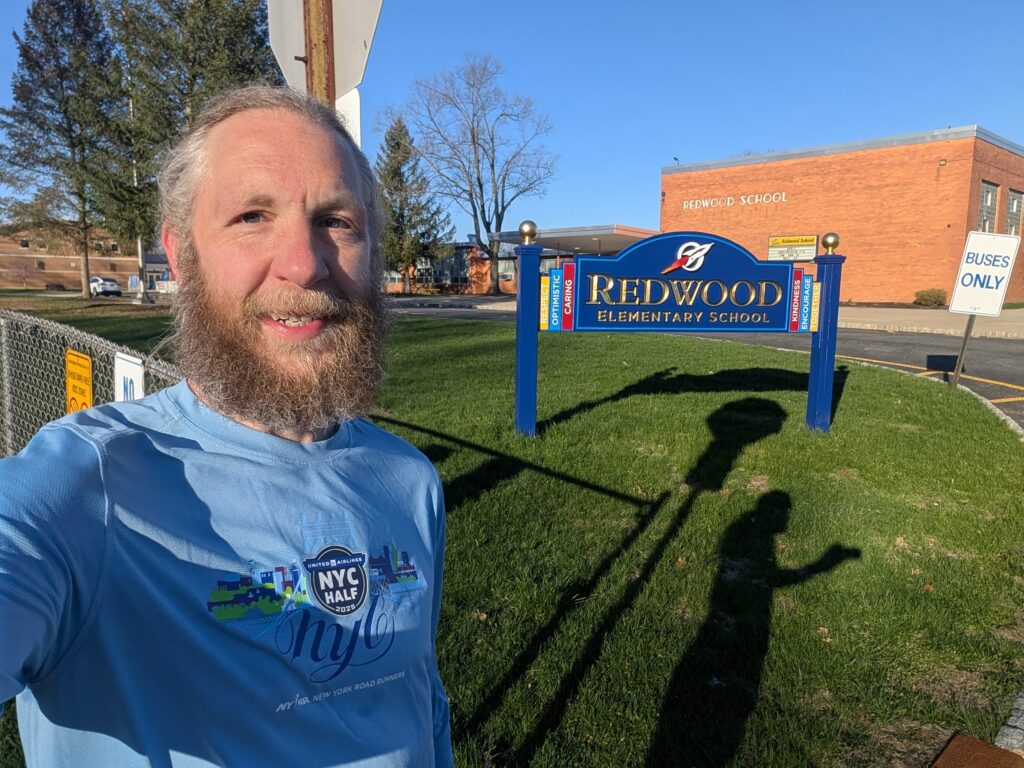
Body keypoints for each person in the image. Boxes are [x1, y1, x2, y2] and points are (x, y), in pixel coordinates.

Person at [0, 86, 453, 767]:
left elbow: (420, 700)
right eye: (251, 216)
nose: (304, 264)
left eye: (336, 220)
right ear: (180, 256)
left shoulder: (407, 479)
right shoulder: (86, 491)